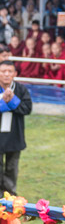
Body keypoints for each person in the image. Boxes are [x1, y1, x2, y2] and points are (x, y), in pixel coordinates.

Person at [0, 61, 32, 195]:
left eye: (10, 71)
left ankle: (10, 195)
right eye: (3, 71)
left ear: (15, 74)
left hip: (14, 135)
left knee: (12, 168)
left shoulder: (20, 89)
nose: (6, 74)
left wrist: (13, 100)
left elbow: (27, 109)